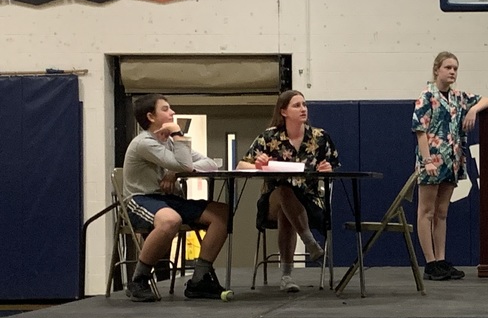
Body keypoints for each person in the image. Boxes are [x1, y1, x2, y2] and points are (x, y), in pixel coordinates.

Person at [121, 94, 230, 302]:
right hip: (141, 199)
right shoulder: (144, 142)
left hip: (167, 199)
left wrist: (175, 172)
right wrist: (179, 136)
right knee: (171, 220)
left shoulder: (171, 143)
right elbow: (185, 165)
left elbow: (210, 164)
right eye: (166, 109)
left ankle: (199, 279)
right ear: (151, 116)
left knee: (221, 213)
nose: (172, 113)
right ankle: (138, 280)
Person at [237, 90, 339, 292]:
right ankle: (309, 242)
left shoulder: (320, 137)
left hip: (310, 202)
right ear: (283, 111)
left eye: (304, 104)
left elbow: (333, 166)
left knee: (287, 209)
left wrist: (328, 169)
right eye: (297, 105)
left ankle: (286, 276)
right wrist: (258, 165)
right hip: (272, 202)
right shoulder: (269, 137)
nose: (303, 109)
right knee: (283, 192)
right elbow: (241, 165)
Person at [412, 51, 488, 281]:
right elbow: (420, 130)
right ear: (437, 69)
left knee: (442, 211)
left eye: (455, 68)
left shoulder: (458, 97)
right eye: (448, 67)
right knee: (426, 210)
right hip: (433, 159)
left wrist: (474, 110)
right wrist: (427, 161)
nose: (452, 72)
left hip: (452, 160)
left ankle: (441, 258)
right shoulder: (426, 96)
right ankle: (429, 261)